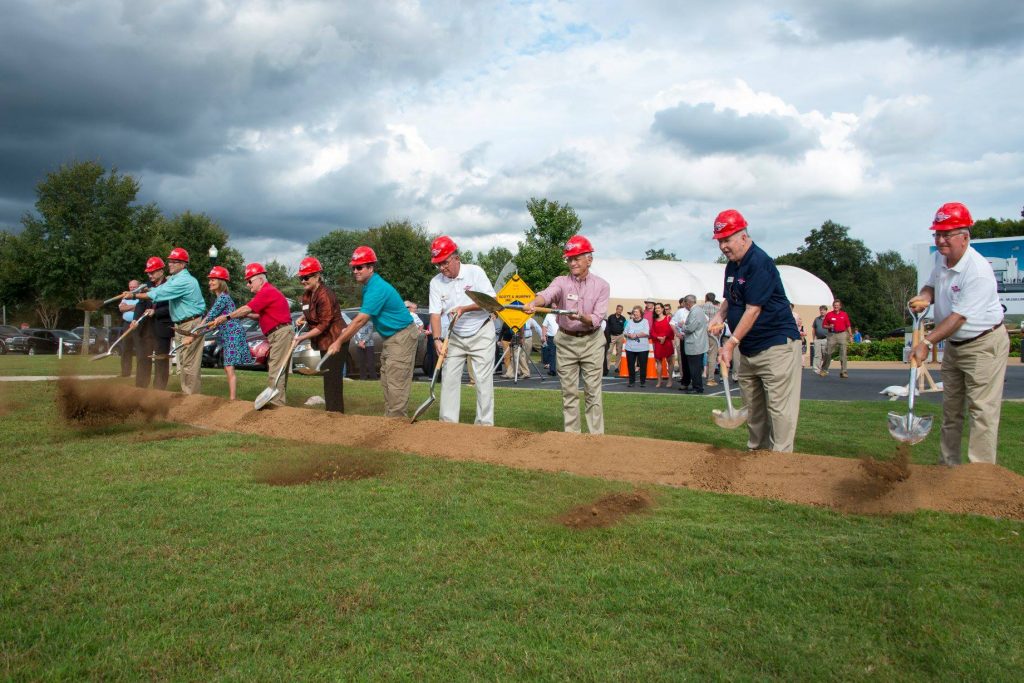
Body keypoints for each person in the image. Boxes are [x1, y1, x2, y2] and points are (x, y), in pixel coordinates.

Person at [909, 202, 1009, 466]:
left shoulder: (977, 271)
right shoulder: (940, 258)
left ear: (965, 237)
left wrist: (926, 342)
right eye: (937, 234)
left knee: (982, 411)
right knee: (951, 409)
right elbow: (931, 286)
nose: (940, 240)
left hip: (983, 345)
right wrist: (924, 297)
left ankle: (980, 474)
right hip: (955, 345)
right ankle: (948, 468)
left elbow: (958, 318)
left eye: (947, 235)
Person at [708, 209, 802, 452]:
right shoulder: (732, 266)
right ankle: (756, 456)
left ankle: (780, 459)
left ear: (743, 236)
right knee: (753, 409)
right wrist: (719, 316)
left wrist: (730, 344)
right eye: (720, 241)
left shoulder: (760, 262)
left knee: (779, 410)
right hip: (748, 347)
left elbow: (753, 310)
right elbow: (731, 298)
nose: (723, 246)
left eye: (727, 240)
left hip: (775, 346)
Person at [525, 235, 610, 434]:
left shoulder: (602, 285)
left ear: (589, 259)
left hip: (592, 341)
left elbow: (597, 318)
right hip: (565, 341)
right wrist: (534, 303)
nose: (572, 263)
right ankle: (571, 438)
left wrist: (581, 317)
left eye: (576, 258)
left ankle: (596, 439)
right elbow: (547, 294)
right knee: (569, 392)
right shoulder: (561, 282)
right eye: (569, 259)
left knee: (592, 393)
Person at [327, 246, 420, 418]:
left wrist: (339, 341)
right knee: (387, 379)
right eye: (353, 268)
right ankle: (391, 420)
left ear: (371, 268)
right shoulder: (369, 287)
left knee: (396, 382)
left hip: (402, 335)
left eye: (359, 267)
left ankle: (397, 423)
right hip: (392, 337)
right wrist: (348, 329)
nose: (355, 271)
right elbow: (367, 316)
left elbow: (361, 319)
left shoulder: (377, 288)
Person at [427, 236, 497, 424]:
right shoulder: (435, 282)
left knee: (483, 381)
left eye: (445, 262)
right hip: (454, 335)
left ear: (456, 258)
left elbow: (492, 302)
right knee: (449, 378)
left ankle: (484, 425)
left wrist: (465, 309)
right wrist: (437, 339)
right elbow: (435, 314)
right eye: (438, 264)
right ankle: (448, 425)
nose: (442, 267)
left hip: (481, 332)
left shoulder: (475, 272)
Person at [126, 248, 205, 395]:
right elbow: (159, 290)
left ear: (183, 264)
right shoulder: (174, 279)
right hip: (181, 324)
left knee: (189, 363)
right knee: (183, 362)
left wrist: (134, 295)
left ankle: (192, 398)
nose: (170, 264)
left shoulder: (183, 280)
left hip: (191, 323)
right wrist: (140, 293)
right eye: (170, 261)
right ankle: (187, 394)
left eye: (174, 262)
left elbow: (160, 293)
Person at [212, 263, 292, 407]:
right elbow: (260, 315)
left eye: (250, 281)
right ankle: (279, 403)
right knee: (278, 368)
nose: (248, 285)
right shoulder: (267, 292)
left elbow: (247, 308)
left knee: (275, 368)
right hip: (279, 333)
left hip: (280, 333)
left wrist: (227, 317)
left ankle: (277, 405)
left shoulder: (266, 291)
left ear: (260, 280)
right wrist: (246, 315)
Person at [193, 266, 253, 401]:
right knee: (227, 366)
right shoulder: (221, 298)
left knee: (229, 366)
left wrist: (196, 330)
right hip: (227, 333)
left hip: (232, 333)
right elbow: (213, 322)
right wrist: (199, 331)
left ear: (221, 282)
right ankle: (232, 398)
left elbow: (210, 316)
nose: (210, 282)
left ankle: (232, 399)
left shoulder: (223, 298)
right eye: (210, 280)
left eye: (213, 280)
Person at [295, 257, 346, 412]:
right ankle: (331, 411)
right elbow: (313, 312)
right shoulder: (307, 294)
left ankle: (335, 413)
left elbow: (324, 324)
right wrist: (303, 317)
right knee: (328, 377)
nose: (303, 281)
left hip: (336, 339)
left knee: (333, 378)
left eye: (306, 277)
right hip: (324, 342)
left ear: (317, 276)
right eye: (301, 278)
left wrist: (302, 337)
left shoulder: (325, 295)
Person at [134, 257, 173, 390]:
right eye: (148, 273)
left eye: (152, 272)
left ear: (161, 271)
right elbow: (140, 304)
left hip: (162, 327)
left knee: (161, 360)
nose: (150, 275)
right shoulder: (145, 286)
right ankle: (140, 390)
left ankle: (159, 392)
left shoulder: (170, 286)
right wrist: (135, 319)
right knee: (143, 359)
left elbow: (172, 307)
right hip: (145, 328)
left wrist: (156, 312)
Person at [680, 295, 708, 394]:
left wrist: (682, 326)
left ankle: (697, 387)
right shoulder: (698, 310)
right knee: (695, 367)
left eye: (684, 303)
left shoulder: (695, 311)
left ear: (688, 302)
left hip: (695, 344)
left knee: (694, 368)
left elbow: (690, 328)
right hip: (698, 342)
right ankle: (697, 386)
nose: (684, 305)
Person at [820, 299, 852, 378]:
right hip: (832, 335)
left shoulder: (844, 314)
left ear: (840, 306)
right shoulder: (829, 314)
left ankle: (843, 372)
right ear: (833, 306)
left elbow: (848, 325)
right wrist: (829, 326)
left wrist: (850, 335)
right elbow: (824, 325)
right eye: (834, 305)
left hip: (842, 334)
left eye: (837, 305)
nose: (836, 307)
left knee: (843, 353)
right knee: (828, 352)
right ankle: (824, 370)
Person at [623, 305, 650, 387]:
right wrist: (629, 335)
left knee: (643, 365)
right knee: (630, 365)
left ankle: (642, 382)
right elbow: (625, 332)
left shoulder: (645, 321)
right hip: (630, 347)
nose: (635, 313)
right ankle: (631, 381)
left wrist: (636, 335)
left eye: (637, 312)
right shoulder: (629, 321)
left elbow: (646, 332)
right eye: (634, 312)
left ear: (641, 313)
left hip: (642, 348)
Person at [118, 279, 140, 377]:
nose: (132, 288)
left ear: (139, 287)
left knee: (140, 349)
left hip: (138, 325)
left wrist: (129, 307)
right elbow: (121, 308)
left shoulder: (142, 296)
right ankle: (125, 372)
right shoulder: (125, 297)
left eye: (134, 287)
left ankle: (140, 372)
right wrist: (134, 307)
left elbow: (140, 308)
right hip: (126, 325)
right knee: (126, 348)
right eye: (130, 287)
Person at [650, 302, 674, 388]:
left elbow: (671, 329)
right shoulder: (654, 320)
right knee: (658, 362)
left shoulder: (668, 318)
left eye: (659, 308)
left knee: (670, 361)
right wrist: (658, 337)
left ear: (662, 309)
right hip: (658, 342)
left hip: (667, 342)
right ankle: (659, 380)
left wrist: (664, 337)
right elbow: (652, 332)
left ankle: (670, 379)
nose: (657, 309)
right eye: (656, 308)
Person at [700, 293, 720, 386]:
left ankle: (696, 378)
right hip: (713, 335)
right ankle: (710, 379)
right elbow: (721, 323)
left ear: (706, 298)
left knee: (698, 356)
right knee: (712, 357)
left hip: (701, 335)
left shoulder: (700, 308)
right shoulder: (718, 309)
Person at [670, 298, 689, 388]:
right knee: (683, 359)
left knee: (694, 360)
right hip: (684, 337)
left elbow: (705, 320)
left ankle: (696, 382)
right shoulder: (680, 311)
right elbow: (672, 323)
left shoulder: (697, 310)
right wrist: (677, 333)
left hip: (695, 339)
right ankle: (684, 380)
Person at [605, 304, 626, 376]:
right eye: (618, 309)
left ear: (622, 311)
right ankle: (607, 367)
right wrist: (608, 336)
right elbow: (607, 327)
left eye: (621, 310)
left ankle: (616, 367)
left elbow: (625, 327)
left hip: (620, 336)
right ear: (616, 309)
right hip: (612, 336)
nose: (619, 311)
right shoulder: (611, 317)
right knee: (609, 351)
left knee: (619, 352)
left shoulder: (623, 318)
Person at [811, 305, 828, 373]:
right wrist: (814, 339)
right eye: (821, 310)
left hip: (826, 339)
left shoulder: (828, 319)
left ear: (826, 311)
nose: (822, 311)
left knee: (825, 355)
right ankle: (816, 369)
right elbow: (814, 329)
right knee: (817, 355)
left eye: (823, 310)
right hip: (817, 339)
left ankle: (824, 369)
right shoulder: (816, 319)